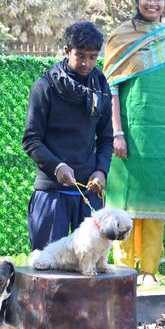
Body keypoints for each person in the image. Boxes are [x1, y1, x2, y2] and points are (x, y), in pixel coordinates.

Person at [103, 0, 165, 286]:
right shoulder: (120, 38)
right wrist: (117, 133)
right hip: (127, 131)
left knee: (157, 202)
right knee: (123, 203)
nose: (152, 3)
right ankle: (123, 268)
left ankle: (149, 271)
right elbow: (111, 89)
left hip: (162, 133)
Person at [23, 21, 114, 250]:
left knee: (90, 266)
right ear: (66, 51)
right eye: (80, 55)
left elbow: (105, 138)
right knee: (47, 271)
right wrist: (57, 167)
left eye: (93, 57)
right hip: (52, 192)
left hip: (89, 192)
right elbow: (31, 139)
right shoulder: (44, 87)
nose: (86, 63)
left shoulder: (101, 87)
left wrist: (101, 171)